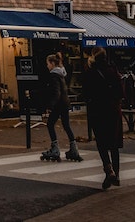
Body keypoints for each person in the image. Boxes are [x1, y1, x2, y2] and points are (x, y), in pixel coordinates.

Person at [81, 47, 123, 189]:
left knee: (102, 143)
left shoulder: (90, 73)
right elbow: (121, 92)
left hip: (98, 111)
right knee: (114, 144)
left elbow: (85, 94)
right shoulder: (113, 70)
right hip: (113, 110)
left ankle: (108, 168)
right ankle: (115, 175)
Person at [40, 53, 81, 162]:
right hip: (65, 103)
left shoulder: (53, 75)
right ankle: (74, 148)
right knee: (66, 125)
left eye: (48, 63)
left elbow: (56, 92)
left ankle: (55, 148)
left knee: (50, 124)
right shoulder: (62, 74)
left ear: (52, 63)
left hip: (58, 104)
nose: (47, 66)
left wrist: (50, 105)